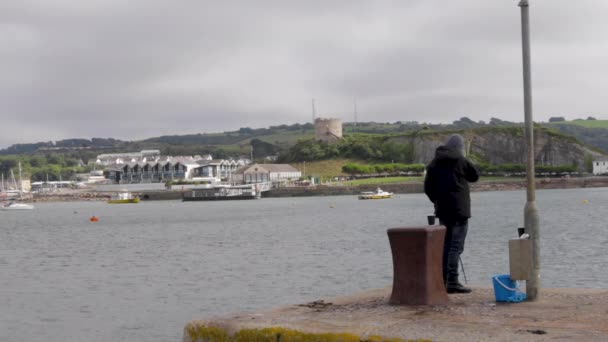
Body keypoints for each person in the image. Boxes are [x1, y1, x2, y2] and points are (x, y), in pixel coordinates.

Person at [424, 134, 479, 294]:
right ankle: (453, 282)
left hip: (442, 210)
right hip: (459, 210)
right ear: (460, 148)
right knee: (455, 246)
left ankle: (443, 280)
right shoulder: (460, 160)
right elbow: (474, 176)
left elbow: (428, 188)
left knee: (446, 245)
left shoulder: (434, 163)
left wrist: (437, 201)